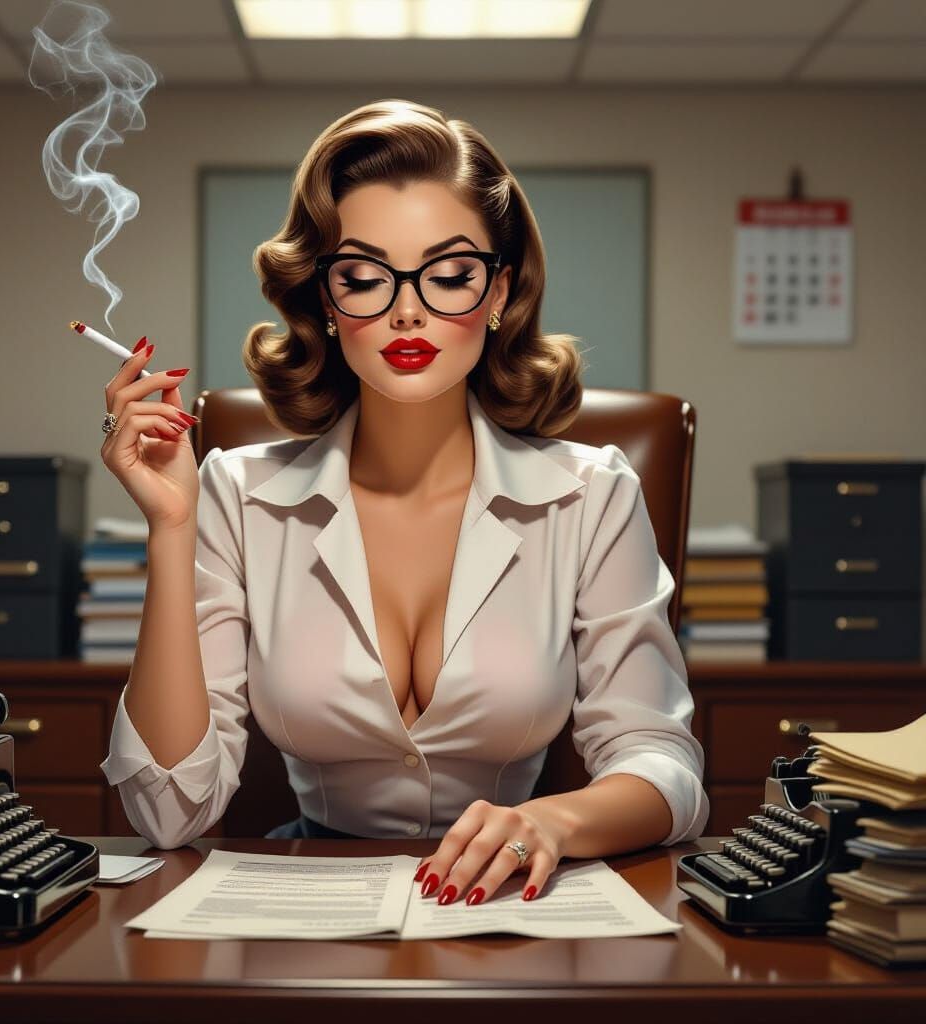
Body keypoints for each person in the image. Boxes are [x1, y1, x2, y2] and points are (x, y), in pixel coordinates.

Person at [98, 98, 709, 907]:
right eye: (364, 276)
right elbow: (169, 811)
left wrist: (556, 824)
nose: (407, 308)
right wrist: (171, 527)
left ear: (499, 291)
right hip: (308, 906)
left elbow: (664, 764)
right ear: (325, 298)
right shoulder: (234, 494)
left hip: (519, 901)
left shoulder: (592, 495)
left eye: (450, 274)